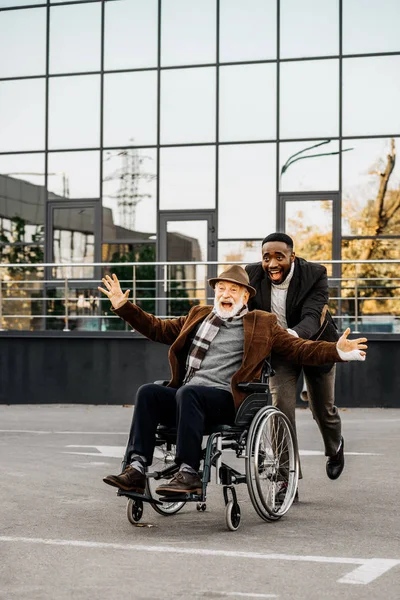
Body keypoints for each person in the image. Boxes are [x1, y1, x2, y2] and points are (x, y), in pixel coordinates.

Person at [99, 265, 367, 497]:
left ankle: (189, 473)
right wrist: (124, 308)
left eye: (233, 290)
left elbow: (299, 349)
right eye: (221, 289)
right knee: (148, 392)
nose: (225, 295)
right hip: (189, 398)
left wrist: (336, 351)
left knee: (188, 393)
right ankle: (135, 468)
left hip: (227, 401)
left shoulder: (262, 323)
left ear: (246, 296)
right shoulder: (199, 316)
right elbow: (157, 328)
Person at [246, 232, 345, 483]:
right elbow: (242, 307)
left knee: (323, 410)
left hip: (316, 345)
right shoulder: (252, 275)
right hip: (280, 353)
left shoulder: (315, 274)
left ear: (292, 256)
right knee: (281, 408)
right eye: (266, 257)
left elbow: (312, 316)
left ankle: (334, 449)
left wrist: (291, 336)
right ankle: (285, 476)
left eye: (279, 257)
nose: (272, 264)